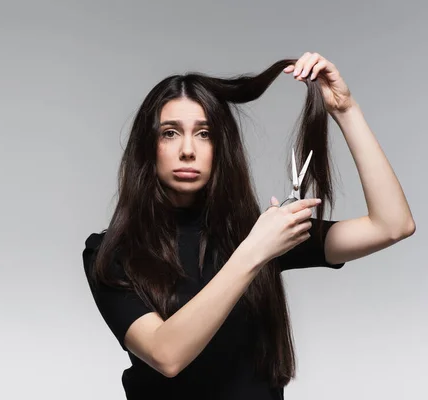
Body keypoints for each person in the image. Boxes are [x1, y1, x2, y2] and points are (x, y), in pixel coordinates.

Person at [81, 52, 415, 400]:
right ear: (148, 148)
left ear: (220, 147)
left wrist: (345, 110)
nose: (187, 150)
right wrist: (256, 250)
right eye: (170, 133)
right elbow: (166, 355)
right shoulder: (111, 254)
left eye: (204, 134)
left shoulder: (258, 234)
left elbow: (392, 224)